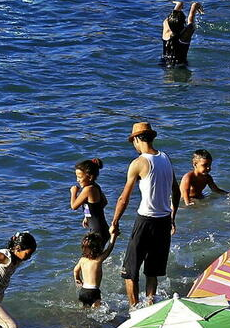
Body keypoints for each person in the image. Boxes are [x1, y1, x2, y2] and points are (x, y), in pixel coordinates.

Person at [110, 121, 180, 309]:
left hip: (146, 221)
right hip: (164, 220)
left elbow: (123, 199)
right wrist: (172, 218)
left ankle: (134, 311)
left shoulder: (139, 163)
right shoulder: (165, 158)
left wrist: (114, 222)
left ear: (137, 139)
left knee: (130, 271)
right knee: (152, 271)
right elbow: (177, 191)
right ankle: (150, 307)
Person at [73, 231, 116, 308]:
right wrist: (113, 236)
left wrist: (77, 279)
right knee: (97, 311)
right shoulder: (98, 260)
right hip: (94, 292)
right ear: (98, 248)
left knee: (84, 310)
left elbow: (75, 270)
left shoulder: (82, 260)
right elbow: (110, 248)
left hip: (83, 291)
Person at [70, 157, 108, 236]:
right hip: (101, 228)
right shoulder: (95, 186)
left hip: (97, 231)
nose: (77, 180)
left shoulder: (88, 190)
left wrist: (73, 192)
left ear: (90, 177)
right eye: (76, 177)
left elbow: (74, 206)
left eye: (80, 177)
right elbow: (104, 202)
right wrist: (88, 216)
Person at [161, 1, 202, 68]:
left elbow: (170, 19)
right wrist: (194, 5)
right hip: (181, 66)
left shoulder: (166, 31)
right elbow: (191, 18)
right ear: (183, 24)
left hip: (164, 64)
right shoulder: (185, 36)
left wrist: (179, 4)